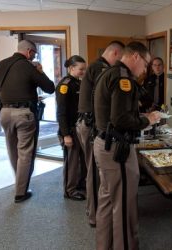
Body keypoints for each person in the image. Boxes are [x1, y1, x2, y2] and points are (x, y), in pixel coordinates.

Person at [93, 41, 160, 250]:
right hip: (117, 150)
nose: (145, 70)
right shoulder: (123, 78)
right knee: (123, 205)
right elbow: (121, 119)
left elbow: (115, 114)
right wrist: (148, 120)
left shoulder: (108, 72)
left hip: (104, 143)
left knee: (106, 201)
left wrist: (139, 116)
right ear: (136, 57)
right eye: (146, 64)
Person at [0, 40, 55, 203]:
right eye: (34, 53)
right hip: (24, 114)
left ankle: (19, 183)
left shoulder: (0, 65)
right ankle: (21, 192)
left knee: (12, 149)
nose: (35, 56)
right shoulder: (29, 66)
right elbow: (50, 88)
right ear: (29, 51)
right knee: (25, 152)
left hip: (5, 113)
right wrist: (40, 72)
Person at [76, 40, 124, 227]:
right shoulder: (101, 68)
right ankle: (95, 215)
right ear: (114, 53)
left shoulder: (97, 66)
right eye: (120, 59)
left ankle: (94, 211)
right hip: (90, 125)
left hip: (87, 123)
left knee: (93, 169)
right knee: (94, 171)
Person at [56, 55, 87, 201]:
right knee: (72, 162)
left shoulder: (77, 83)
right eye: (81, 69)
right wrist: (65, 134)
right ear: (71, 68)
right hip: (69, 128)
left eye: (84, 69)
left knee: (81, 160)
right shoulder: (65, 85)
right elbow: (61, 112)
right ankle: (69, 190)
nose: (83, 71)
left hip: (79, 127)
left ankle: (80, 185)